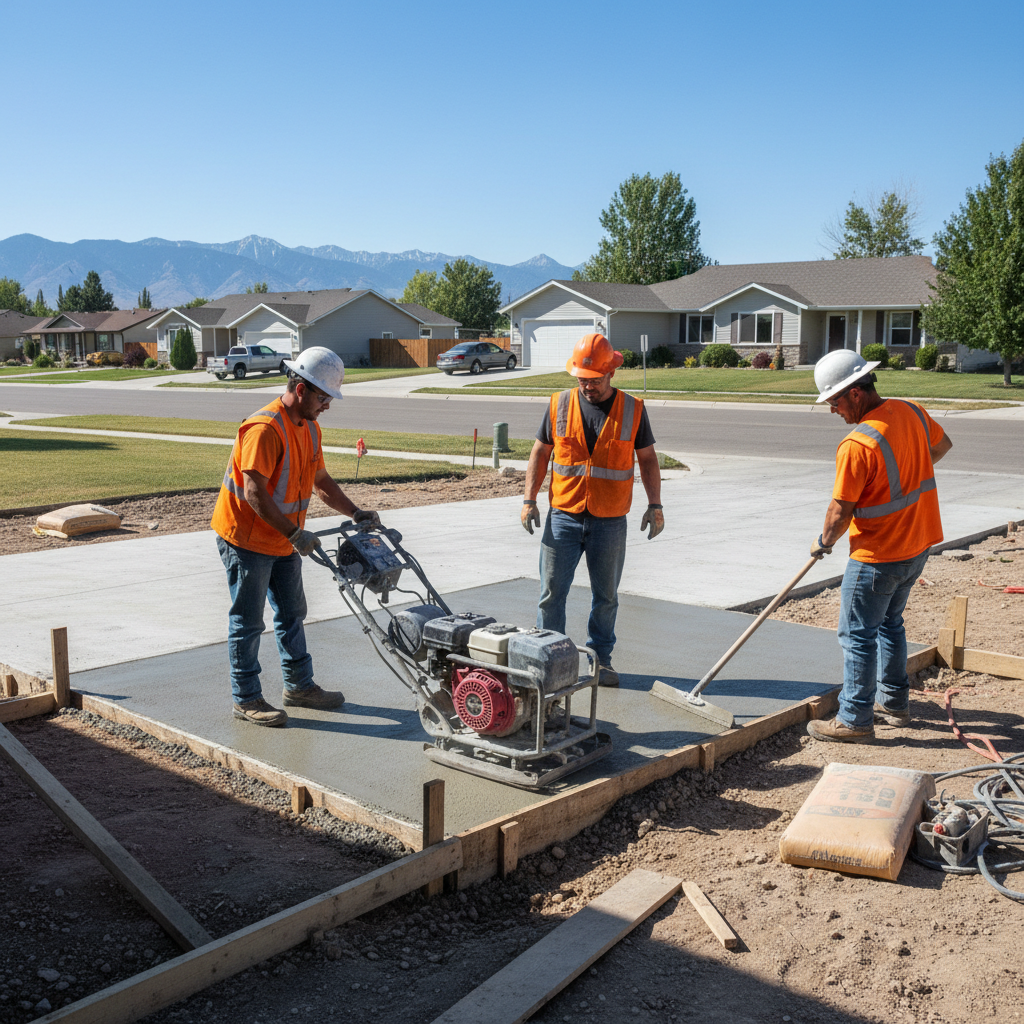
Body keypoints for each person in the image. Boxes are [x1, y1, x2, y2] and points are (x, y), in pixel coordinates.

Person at [210, 346, 378, 727]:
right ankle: (246, 698)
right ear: (301, 389)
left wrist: (355, 512)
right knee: (248, 620)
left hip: (285, 537)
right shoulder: (265, 428)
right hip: (247, 538)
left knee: (292, 613)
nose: (328, 405)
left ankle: (299, 686)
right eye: (323, 397)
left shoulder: (309, 428)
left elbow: (320, 482)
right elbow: (255, 493)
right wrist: (294, 533)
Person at [805, 349, 952, 743]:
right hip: (918, 545)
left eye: (834, 401)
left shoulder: (857, 444)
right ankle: (895, 703)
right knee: (890, 623)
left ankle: (854, 719)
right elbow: (942, 446)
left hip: (878, 556)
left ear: (855, 393)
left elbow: (840, 510)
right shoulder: (913, 411)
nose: (833, 410)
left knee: (857, 634)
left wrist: (824, 542)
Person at [521, 334, 664, 687]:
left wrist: (655, 505)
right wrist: (529, 499)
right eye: (582, 380)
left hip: (610, 520)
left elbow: (647, 460)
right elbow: (540, 454)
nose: (588, 387)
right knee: (552, 593)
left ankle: (601, 660)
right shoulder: (558, 404)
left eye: (594, 381)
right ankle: (549, 662)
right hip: (564, 516)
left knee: (606, 596)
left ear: (610, 374)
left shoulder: (633, 409)